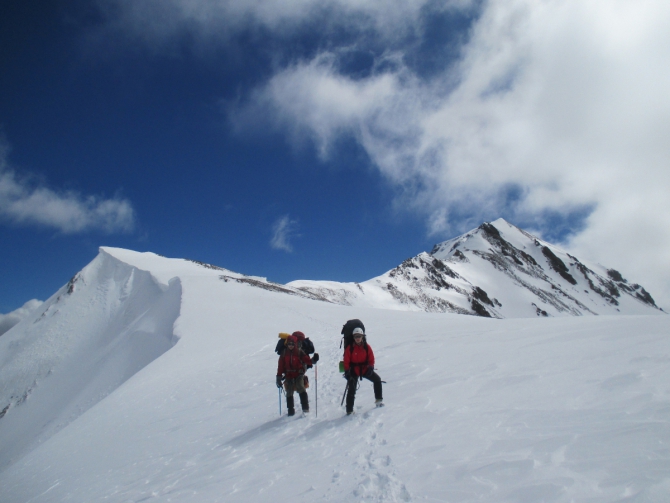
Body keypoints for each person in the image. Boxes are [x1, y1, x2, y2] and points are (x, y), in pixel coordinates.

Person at [343, 327, 383, 415]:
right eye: (356, 336)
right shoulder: (350, 348)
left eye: (359, 336)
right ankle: (349, 410)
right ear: (353, 337)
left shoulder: (367, 347)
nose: (358, 338)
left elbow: (371, 358)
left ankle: (379, 400)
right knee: (351, 389)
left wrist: (371, 367)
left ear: (362, 337)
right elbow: (346, 361)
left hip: (365, 369)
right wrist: (347, 372)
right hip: (353, 371)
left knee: (377, 380)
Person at [276, 335, 319, 415]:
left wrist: (313, 360)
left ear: (295, 344)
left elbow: (307, 360)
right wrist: (278, 377)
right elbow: (280, 366)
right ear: (287, 344)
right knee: (289, 392)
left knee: (301, 388)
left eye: (292, 344)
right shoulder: (284, 353)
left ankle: (305, 408)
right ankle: (290, 411)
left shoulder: (299, 352)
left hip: (298, 374)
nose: (291, 346)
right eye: (289, 344)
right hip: (289, 375)